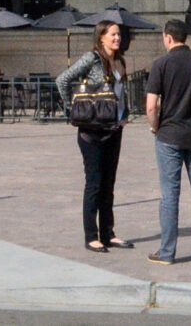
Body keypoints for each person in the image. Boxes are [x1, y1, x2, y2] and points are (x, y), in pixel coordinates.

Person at [145, 18, 191, 263]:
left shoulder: (161, 64)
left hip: (169, 136)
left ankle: (167, 252)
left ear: (168, 37)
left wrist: (155, 127)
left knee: (170, 195)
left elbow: (151, 106)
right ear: (185, 38)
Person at [57, 20, 132, 252]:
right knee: (94, 184)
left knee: (109, 184)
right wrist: (75, 111)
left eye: (119, 34)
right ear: (101, 37)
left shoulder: (119, 61)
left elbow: (120, 93)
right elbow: (62, 80)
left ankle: (108, 232)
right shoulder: (92, 58)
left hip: (114, 130)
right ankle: (91, 235)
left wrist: (124, 114)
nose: (117, 38)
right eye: (112, 35)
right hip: (92, 133)